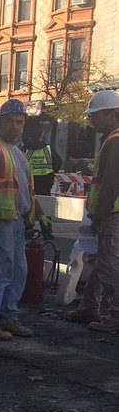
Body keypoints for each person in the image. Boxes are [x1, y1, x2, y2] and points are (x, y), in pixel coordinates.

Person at [0, 99, 52, 342]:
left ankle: (8, 317)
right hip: (0, 221)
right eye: (9, 121)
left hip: (15, 221)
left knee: (17, 271)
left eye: (19, 122)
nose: (14, 126)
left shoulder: (17, 152)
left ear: (24, 124)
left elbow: (24, 190)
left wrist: (39, 214)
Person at [65, 89, 119, 331]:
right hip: (109, 214)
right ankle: (89, 306)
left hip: (110, 216)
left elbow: (109, 183)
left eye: (95, 115)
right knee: (101, 261)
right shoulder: (111, 139)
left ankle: (114, 317)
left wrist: (100, 214)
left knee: (108, 265)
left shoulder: (115, 141)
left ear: (111, 114)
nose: (91, 119)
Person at [25, 131, 57, 197]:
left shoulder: (25, 149)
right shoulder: (48, 148)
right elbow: (58, 162)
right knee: (45, 203)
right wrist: (52, 171)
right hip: (46, 182)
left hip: (29, 181)